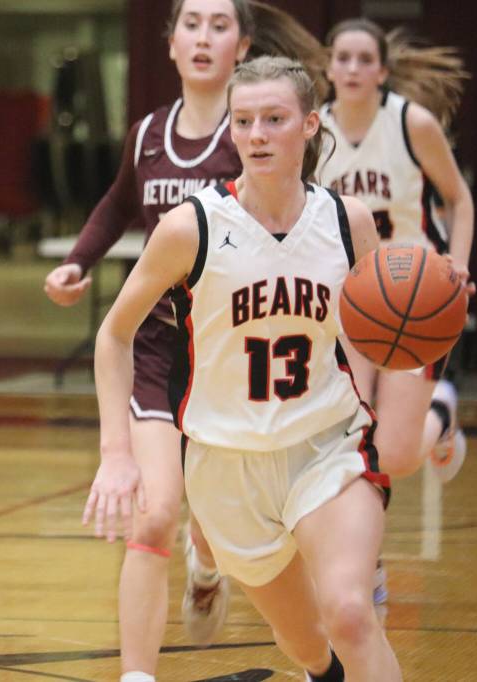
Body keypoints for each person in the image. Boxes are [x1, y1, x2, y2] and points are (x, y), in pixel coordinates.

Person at [87, 55, 401, 682]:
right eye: (244, 120)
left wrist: (429, 315)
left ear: (310, 125)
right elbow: (114, 334)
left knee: (349, 613)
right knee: (309, 646)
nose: (257, 134)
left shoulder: (347, 221)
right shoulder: (192, 227)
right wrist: (116, 452)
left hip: (327, 444)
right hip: (225, 465)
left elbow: (386, 331)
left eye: (275, 119)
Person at [44, 1, 323, 676]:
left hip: (235, 354)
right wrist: (79, 258)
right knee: (153, 513)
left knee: (229, 523)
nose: (202, 36)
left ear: (244, 46)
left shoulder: (255, 133)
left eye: (218, 25)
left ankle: (210, 562)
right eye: (190, 24)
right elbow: (117, 202)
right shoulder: (146, 134)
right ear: (170, 44)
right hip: (161, 350)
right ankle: (137, 673)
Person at [316, 19, 474, 503]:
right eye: (343, 58)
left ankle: (441, 416)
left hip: (412, 295)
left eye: (366, 60)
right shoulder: (312, 130)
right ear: (328, 67)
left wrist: (459, 265)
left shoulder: (412, 124)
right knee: (345, 444)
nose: (353, 68)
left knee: (397, 456)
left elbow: (460, 200)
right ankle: (368, 569)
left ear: (383, 72)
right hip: (347, 299)